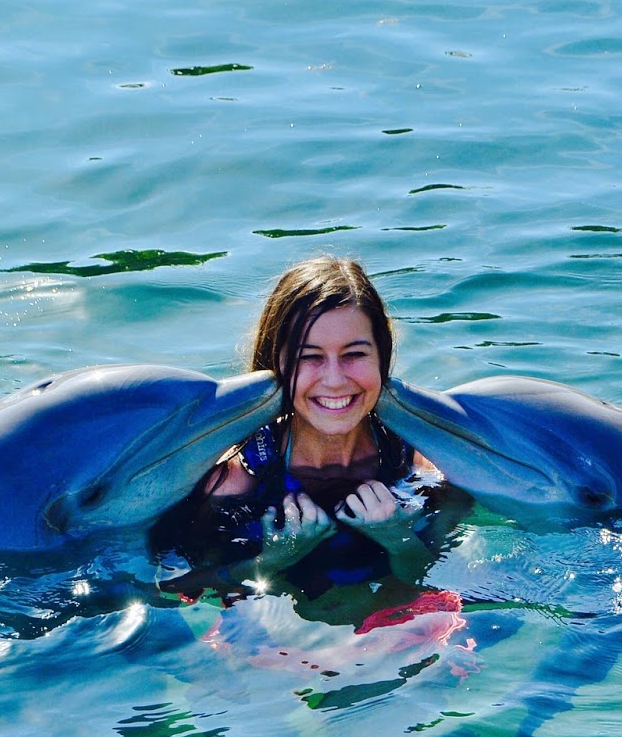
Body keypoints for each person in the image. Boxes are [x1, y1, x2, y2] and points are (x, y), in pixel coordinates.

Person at [152, 256, 466, 609]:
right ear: (276, 362)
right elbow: (175, 589)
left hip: (389, 617)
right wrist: (271, 562)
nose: (334, 379)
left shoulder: (420, 463)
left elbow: (435, 575)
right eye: (308, 357)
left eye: (355, 354)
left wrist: (400, 540)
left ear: (382, 356)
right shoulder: (239, 478)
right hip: (279, 627)